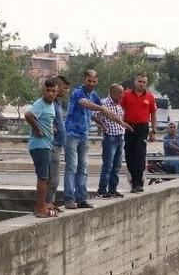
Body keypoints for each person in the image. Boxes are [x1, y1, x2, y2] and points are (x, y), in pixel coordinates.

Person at [64, 70, 126, 209]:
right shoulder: (78, 92)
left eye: (94, 81)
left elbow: (104, 111)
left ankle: (81, 199)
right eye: (89, 81)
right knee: (71, 167)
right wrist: (102, 110)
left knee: (83, 167)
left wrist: (119, 122)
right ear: (84, 80)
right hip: (72, 133)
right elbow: (87, 104)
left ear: (97, 81)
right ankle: (69, 199)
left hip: (84, 134)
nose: (91, 84)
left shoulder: (94, 94)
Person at [24, 79, 59, 218]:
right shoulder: (40, 104)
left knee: (48, 176)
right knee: (43, 177)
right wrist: (37, 129)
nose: (50, 94)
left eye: (53, 91)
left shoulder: (50, 105)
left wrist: (51, 128)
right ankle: (40, 209)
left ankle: (45, 204)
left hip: (46, 144)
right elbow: (28, 115)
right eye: (48, 91)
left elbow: (43, 119)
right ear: (43, 91)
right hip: (39, 145)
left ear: (57, 92)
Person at [120, 72, 157, 193]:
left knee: (140, 155)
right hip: (129, 127)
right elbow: (119, 109)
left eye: (144, 82)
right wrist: (120, 123)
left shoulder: (150, 97)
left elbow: (153, 113)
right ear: (135, 81)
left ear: (146, 83)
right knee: (129, 155)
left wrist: (154, 130)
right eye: (139, 81)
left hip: (143, 128)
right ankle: (134, 181)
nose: (141, 84)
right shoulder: (126, 95)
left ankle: (138, 183)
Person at [92, 83, 126, 199]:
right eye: (120, 92)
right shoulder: (104, 103)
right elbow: (93, 114)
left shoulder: (119, 105)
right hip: (110, 137)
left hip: (119, 137)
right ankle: (101, 190)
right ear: (112, 93)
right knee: (108, 165)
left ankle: (112, 189)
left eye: (123, 92)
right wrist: (102, 125)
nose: (122, 95)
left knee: (117, 165)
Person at [46, 75, 70, 214]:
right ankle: (48, 203)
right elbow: (33, 116)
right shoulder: (49, 103)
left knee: (53, 177)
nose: (65, 90)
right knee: (53, 178)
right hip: (52, 144)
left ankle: (50, 202)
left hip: (58, 144)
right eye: (63, 87)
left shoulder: (58, 103)